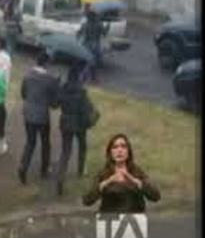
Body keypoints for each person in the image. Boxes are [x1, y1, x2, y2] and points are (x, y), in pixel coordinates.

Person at [82, 133, 161, 213]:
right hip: (109, 221)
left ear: (128, 151)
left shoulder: (137, 172)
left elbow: (156, 197)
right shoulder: (103, 174)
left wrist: (136, 181)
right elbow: (86, 200)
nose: (119, 150)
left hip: (133, 222)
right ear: (110, 153)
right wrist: (107, 182)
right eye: (115, 147)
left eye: (123, 146)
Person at [18, 51, 61, 184]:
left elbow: (24, 94)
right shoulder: (51, 79)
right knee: (45, 143)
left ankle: (23, 167)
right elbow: (54, 104)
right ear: (47, 63)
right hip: (42, 117)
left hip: (28, 114)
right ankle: (44, 170)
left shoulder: (27, 75)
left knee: (30, 142)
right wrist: (57, 85)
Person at [55, 65, 92, 196]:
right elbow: (86, 109)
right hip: (79, 124)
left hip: (65, 122)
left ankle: (60, 177)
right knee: (82, 146)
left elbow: (56, 103)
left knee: (66, 151)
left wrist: (57, 85)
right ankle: (80, 171)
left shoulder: (63, 88)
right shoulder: (82, 91)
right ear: (78, 76)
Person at [77, 4, 110, 82]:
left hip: (86, 45)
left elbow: (79, 34)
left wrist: (78, 41)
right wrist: (108, 27)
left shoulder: (85, 24)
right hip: (95, 46)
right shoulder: (99, 24)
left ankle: (93, 78)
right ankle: (83, 77)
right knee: (92, 62)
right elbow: (104, 33)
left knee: (92, 62)